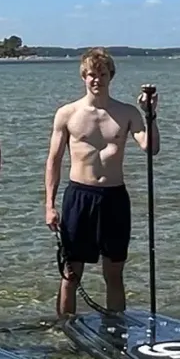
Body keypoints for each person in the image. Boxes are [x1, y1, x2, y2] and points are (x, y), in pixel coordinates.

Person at [44, 47, 156, 317]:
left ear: (111, 76)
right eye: (92, 74)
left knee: (114, 272)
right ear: (83, 76)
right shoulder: (67, 113)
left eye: (102, 74)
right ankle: (66, 327)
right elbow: (54, 160)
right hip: (79, 196)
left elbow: (151, 148)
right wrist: (49, 204)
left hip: (114, 197)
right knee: (71, 272)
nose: (97, 79)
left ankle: (116, 328)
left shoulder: (127, 113)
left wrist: (150, 114)